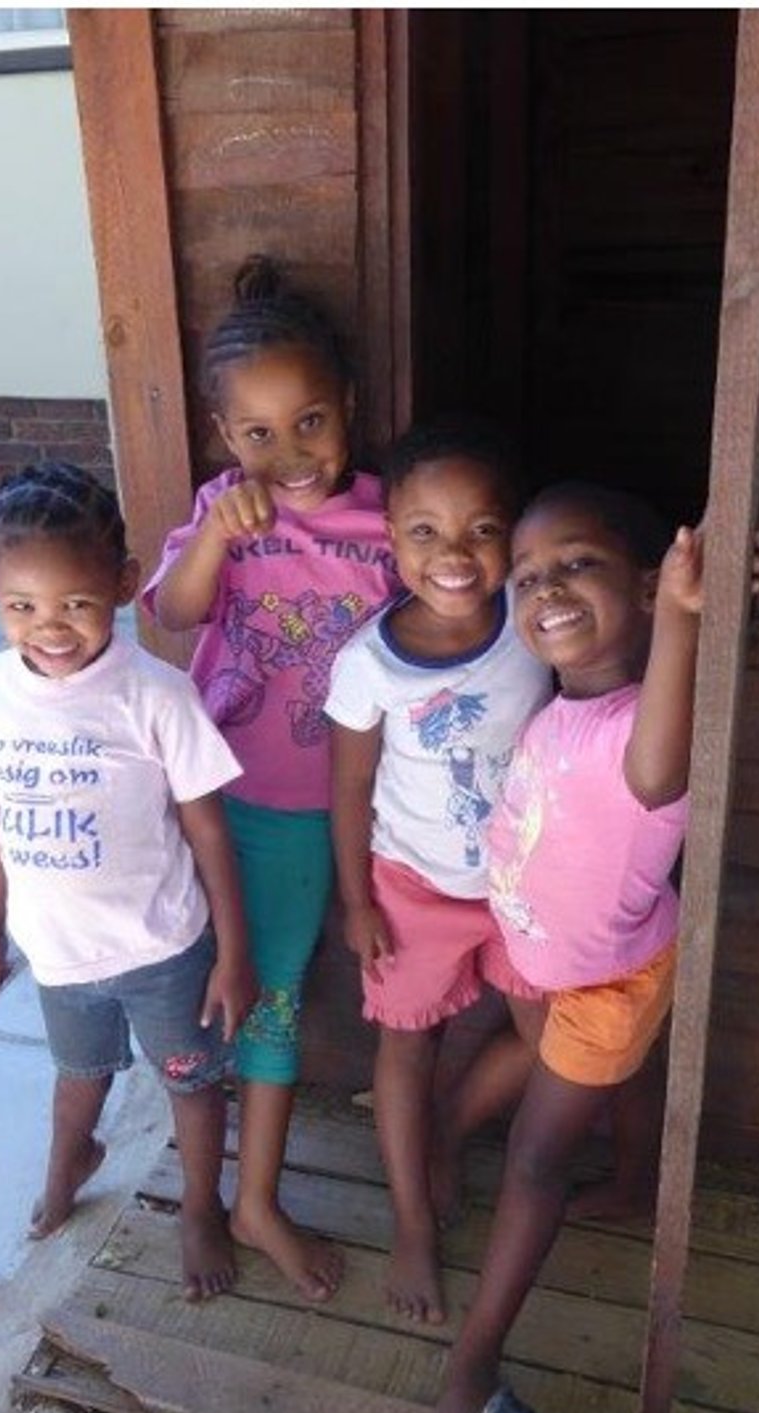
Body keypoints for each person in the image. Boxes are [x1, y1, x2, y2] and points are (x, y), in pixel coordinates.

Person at [432, 483, 753, 1413]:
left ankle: (471, 1369)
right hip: (547, 954)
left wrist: (686, 615)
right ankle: (629, 1178)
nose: (547, 589)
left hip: (605, 980)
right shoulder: (561, 702)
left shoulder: (644, 732)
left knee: (535, 1159)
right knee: (621, 1075)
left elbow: (653, 767)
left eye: (578, 564)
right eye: (529, 576)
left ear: (649, 587)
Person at [140, 255, 399, 1302]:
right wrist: (213, 532)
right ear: (222, 437)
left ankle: (251, 1200)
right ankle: (205, 1198)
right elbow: (171, 613)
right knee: (193, 995)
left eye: (310, 423)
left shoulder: (391, 523)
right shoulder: (223, 511)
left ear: (350, 408)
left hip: (308, 816)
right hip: (208, 796)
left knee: (270, 997)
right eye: (257, 434)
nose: (288, 454)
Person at [0, 461, 257, 1303]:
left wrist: (233, 954)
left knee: (191, 1082)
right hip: (59, 952)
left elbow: (208, 828)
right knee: (77, 1073)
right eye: (21, 607)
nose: (50, 629)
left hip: (163, 947)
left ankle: (200, 1205)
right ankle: (70, 1162)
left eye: (77, 604)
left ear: (124, 585)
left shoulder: (156, 695)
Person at [324, 417, 554, 1327]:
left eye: (481, 529)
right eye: (425, 531)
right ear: (391, 537)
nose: (454, 554)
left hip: (523, 885)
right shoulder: (368, 665)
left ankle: (449, 1130)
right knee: (405, 1045)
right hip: (412, 889)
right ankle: (412, 1220)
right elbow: (349, 787)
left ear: (513, 534)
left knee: (553, 1040)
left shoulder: (533, 624)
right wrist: (357, 901)